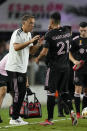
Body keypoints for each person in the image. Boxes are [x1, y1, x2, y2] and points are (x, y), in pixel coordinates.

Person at [35, 12, 77, 126]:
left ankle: (49, 119)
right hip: (66, 67)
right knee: (63, 91)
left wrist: (38, 58)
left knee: (51, 93)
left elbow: (44, 52)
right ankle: (72, 111)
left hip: (54, 68)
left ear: (51, 21)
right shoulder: (67, 32)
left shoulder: (49, 34)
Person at [5, 14, 43, 125]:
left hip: (22, 68)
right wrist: (30, 41)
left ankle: (16, 116)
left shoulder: (29, 34)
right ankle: (14, 118)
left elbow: (31, 52)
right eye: (30, 23)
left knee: (22, 93)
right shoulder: (17, 33)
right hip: (13, 68)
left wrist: (38, 45)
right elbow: (16, 47)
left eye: (33, 23)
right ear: (24, 23)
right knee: (17, 93)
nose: (33, 25)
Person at [69, 22, 87, 118]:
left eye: (85, 30)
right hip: (79, 70)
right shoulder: (75, 40)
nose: (83, 32)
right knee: (77, 90)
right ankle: (78, 113)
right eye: (81, 30)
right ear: (79, 29)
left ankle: (84, 111)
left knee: (86, 91)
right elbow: (69, 53)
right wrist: (74, 61)